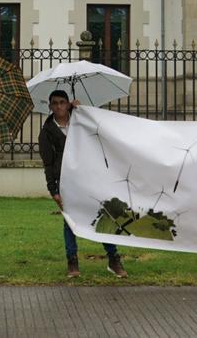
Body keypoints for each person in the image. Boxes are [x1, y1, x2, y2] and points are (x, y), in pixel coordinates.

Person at [38, 89, 127, 278]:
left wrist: (82, 111)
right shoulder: (47, 132)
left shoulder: (80, 121)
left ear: (68, 103)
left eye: (63, 102)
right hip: (66, 180)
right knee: (70, 221)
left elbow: (99, 134)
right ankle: (72, 261)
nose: (59, 106)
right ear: (50, 106)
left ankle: (113, 258)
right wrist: (53, 190)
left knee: (104, 215)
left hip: (90, 176)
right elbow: (47, 163)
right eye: (55, 103)